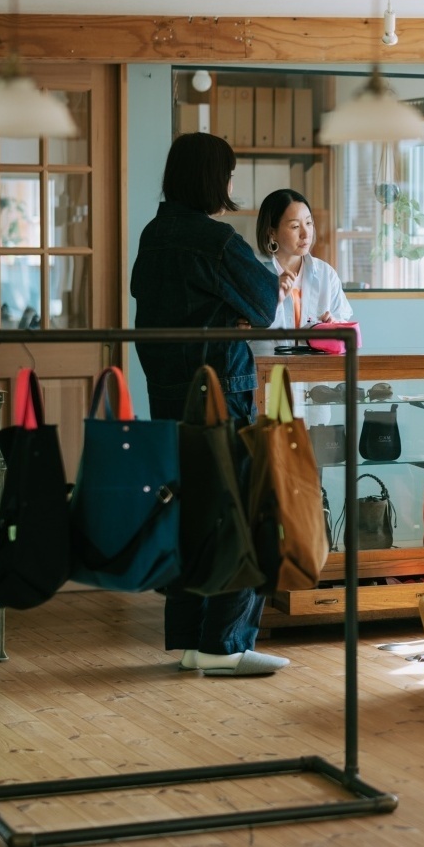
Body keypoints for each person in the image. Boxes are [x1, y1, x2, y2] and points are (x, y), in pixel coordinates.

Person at [130, 132, 293, 678]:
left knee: (189, 512)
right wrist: (235, 313)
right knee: (238, 511)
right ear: (211, 179)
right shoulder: (216, 240)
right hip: (224, 391)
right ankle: (224, 645)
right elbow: (265, 306)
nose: (230, 184)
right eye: (227, 174)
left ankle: (192, 640)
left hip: (168, 394)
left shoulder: (153, 235)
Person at [255, 188, 354, 334]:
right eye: (295, 226)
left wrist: (332, 325)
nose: (306, 234)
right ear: (272, 232)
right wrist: (271, 297)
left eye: (308, 223)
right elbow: (241, 333)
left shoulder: (326, 273)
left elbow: (343, 325)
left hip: (314, 351)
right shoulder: (254, 272)